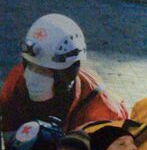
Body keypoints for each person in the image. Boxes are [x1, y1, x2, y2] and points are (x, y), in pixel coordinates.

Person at [0, 12, 129, 132]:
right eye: (31, 66)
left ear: (67, 74)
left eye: (44, 71)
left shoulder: (103, 112)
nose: (33, 77)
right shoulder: (18, 77)